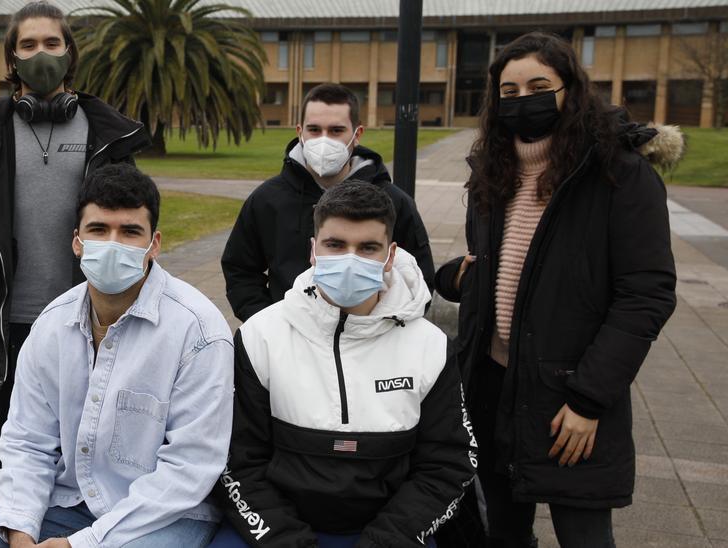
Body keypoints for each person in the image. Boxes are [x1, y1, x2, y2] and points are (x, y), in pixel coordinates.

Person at [433, 32, 680, 547]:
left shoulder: (620, 174)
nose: (524, 100)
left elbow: (645, 295)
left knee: (584, 535)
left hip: (571, 395)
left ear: (571, 90)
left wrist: (590, 400)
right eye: (510, 91)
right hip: (492, 388)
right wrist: (465, 275)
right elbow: (516, 264)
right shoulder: (491, 172)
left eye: (539, 85)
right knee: (500, 532)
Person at [0, 163, 233, 548]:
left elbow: (190, 468)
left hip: (161, 514)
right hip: (71, 499)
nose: (112, 244)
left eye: (129, 232)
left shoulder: (199, 332)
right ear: (77, 241)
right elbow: (28, 440)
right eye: (98, 230)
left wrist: (84, 543)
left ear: (154, 243)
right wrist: (21, 529)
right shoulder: (51, 325)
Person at [0, 1, 150, 508]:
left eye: (52, 43)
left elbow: (133, 224)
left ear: (69, 52)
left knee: (89, 441)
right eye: (28, 44)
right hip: (6, 320)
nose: (41, 55)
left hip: (90, 319)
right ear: (12, 58)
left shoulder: (107, 135)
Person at [208, 181, 475, 548]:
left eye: (368, 248)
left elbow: (448, 465)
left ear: (391, 255)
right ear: (313, 251)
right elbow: (235, 462)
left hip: (390, 534)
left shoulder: (430, 348)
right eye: (335, 245)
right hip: (274, 532)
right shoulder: (260, 337)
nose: (351, 260)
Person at [221, 84, 434, 323]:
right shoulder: (267, 199)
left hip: (370, 340)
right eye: (314, 129)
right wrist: (267, 323)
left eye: (336, 130)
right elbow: (240, 269)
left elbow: (418, 276)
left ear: (357, 134)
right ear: (300, 132)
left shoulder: (393, 202)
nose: (324, 140)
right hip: (289, 339)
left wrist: (385, 328)